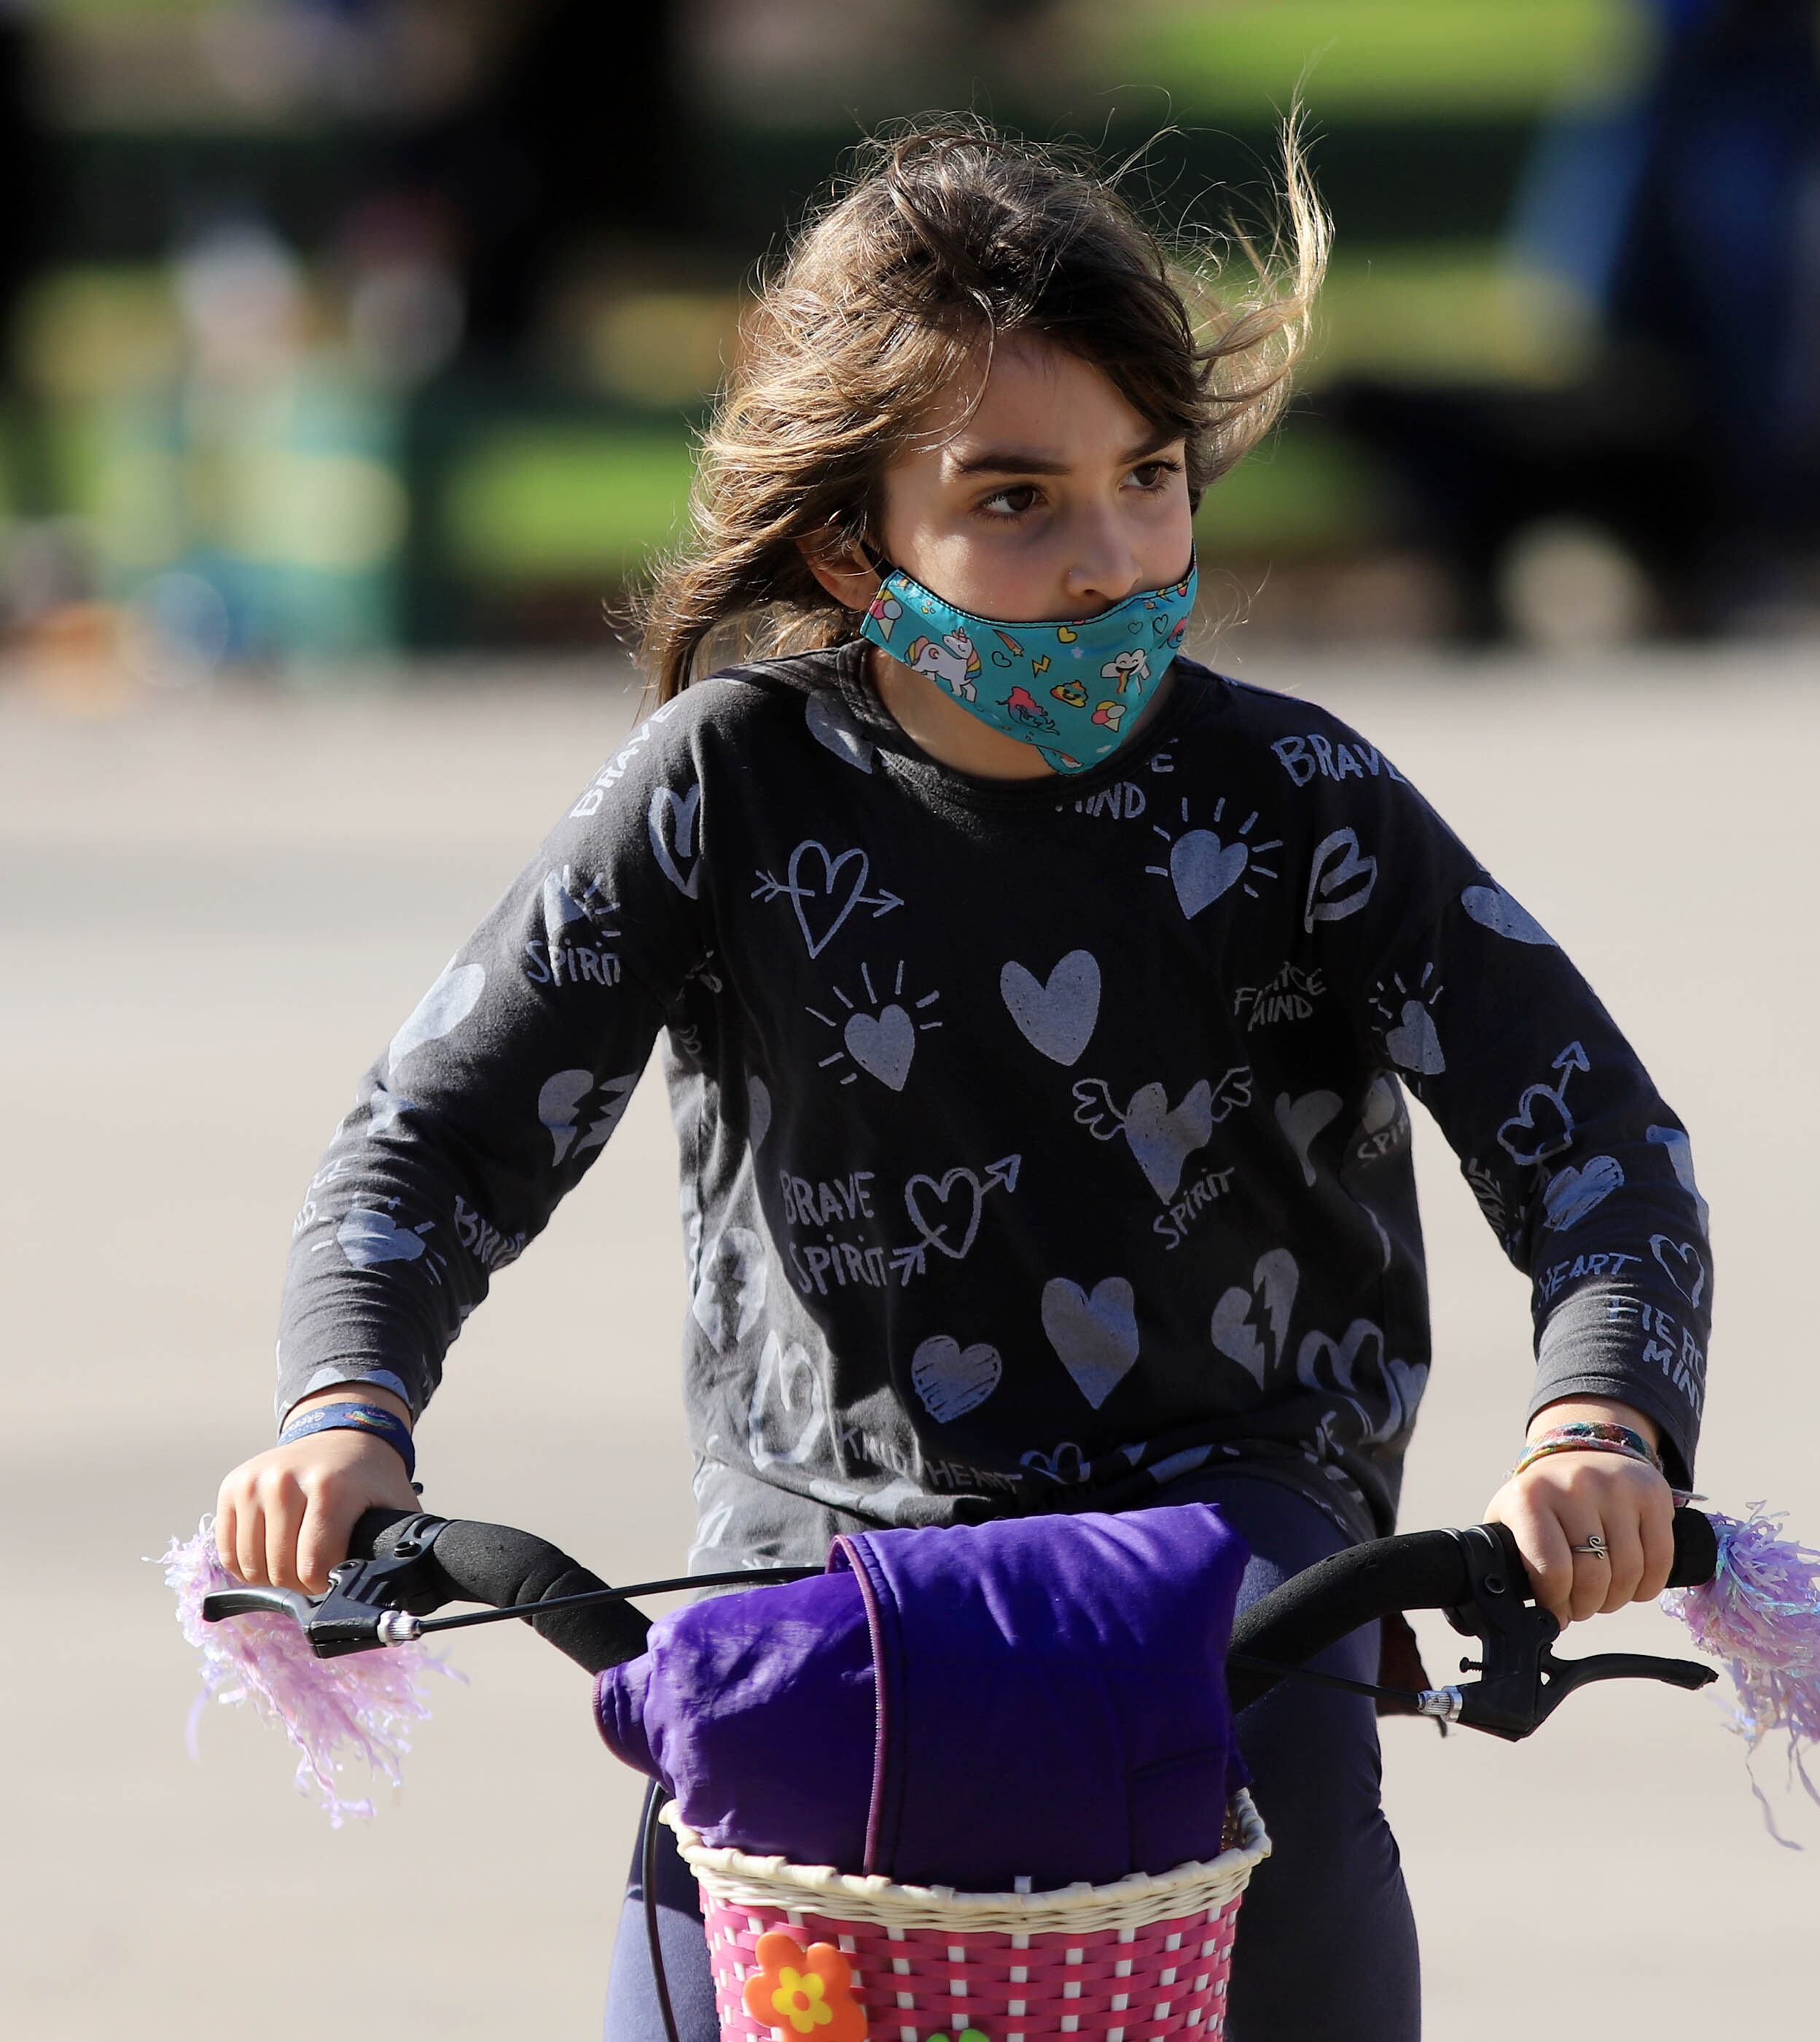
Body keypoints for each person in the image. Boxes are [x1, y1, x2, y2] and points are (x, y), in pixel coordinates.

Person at [211, 120, 1713, 2042]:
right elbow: (430, 1139)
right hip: (815, 1583)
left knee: (1294, 1865)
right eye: (1016, 498)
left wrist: (1600, 1428)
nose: (1112, 559)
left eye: (1149, 478)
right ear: (853, 540)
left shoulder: (1298, 803)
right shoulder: (721, 788)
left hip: (1228, 1586)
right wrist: (347, 1408)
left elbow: (1595, 1138)